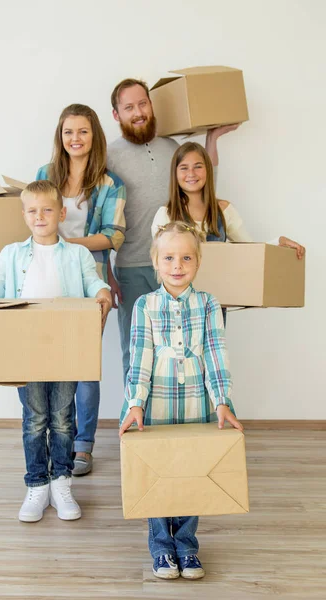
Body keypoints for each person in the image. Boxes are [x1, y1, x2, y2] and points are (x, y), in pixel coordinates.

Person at [0, 180, 112, 523]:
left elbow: (93, 282)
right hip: (26, 350)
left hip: (66, 349)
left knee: (63, 420)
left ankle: (61, 482)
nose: (40, 216)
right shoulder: (11, 254)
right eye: (33, 211)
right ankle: (37, 484)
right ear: (24, 215)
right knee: (35, 419)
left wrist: (103, 290)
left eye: (48, 209)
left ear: (61, 213)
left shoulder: (78, 254)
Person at [119, 221, 243, 580]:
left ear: (198, 262)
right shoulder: (145, 305)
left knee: (192, 473)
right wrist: (135, 403)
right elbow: (139, 357)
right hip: (156, 407)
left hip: (197, 407)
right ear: (155, 262)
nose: (177, 265)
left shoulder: (208, 304)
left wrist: (222, 400)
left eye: (186, 257)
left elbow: (216, 353)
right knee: (159, 475)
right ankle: (161, 546)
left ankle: (187, 545)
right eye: (169, 257)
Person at [106, 78, 239, 382]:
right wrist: (107, 272)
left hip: (180, 264)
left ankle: (181, 416)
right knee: (137, 350)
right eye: (129, 107)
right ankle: (135, 422)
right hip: (133, 267)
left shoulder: (171, 147)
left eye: (143, 103)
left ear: (151, 105)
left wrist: (212, 140)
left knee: (185, 349)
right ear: (117, 115)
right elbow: (85, 201)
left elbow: (202, 181)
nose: (138, 112)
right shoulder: (108, 155)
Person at [35, 104, 126, 476]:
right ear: (60, 135)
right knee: (53, 363)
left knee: (85, 365)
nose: (75, 138)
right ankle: (59, 439)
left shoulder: (109, 184)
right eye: (69, 131)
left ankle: (83, 445)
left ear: (95, 136)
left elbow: (113, 235)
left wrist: (67, 243)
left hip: (90, 283)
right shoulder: (44, 175)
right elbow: (29, 211)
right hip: (45, 282)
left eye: (83, 131)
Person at [152, 141, 305, 258]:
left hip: (219, 291)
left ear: (208, 170)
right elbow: (162, 260)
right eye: (184, 168)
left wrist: (279, 242)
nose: (191, 173)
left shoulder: (223, 210)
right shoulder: (166, 214)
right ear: (175, 173)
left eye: (198, 166)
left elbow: (249, 249)